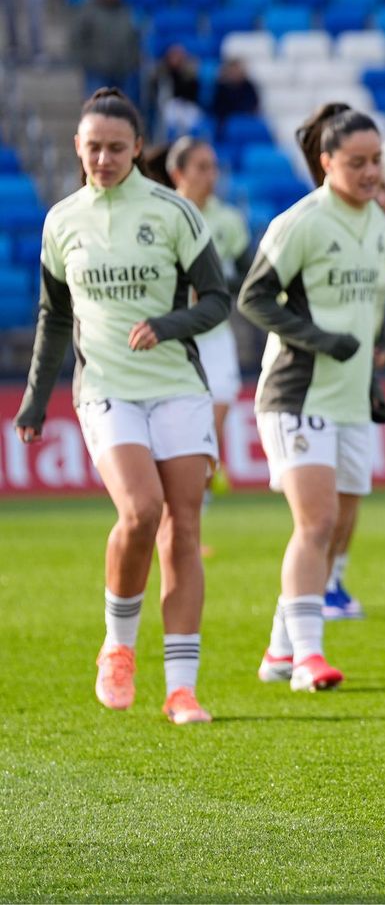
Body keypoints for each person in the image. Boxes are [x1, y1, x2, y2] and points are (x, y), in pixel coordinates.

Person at [12, 88, 230, 724]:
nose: (103, 158)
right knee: (141, 511)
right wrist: (34, 402)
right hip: (105, 388)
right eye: (92, 147)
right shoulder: (62, 221)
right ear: (77, 148)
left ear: (138, 148)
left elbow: (218, 298)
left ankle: (182, 688)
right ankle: (118, 646)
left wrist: (169, 324)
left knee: (182, 529)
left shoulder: (174, 213)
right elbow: (55, 319)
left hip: (178, 387)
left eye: (115, 147)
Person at [238, 104, 385, 691]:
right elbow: (253, 299)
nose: (369, 171)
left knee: (338, 526)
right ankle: (308, 658)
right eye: (356, 162)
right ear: (327, 162)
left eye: (376, 160)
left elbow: (369, 319)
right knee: (317, 520)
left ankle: (280, 653)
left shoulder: (382, 230)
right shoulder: (301, 222)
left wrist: (373, 370)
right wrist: (320, 340)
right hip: (295, 393)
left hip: (352, 400)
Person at [320, 141, 385, 621]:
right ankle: (317, 586)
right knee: (324, 497)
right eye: (381, 186)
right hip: (317, 377)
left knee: (352, 486)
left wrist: (381, 339)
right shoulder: (328, 228)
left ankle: (335, 577)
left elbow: (373, 304)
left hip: (359, 374)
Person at [169, 137, 251, 500]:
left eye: (213, 167)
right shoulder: (163, 216)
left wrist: (216, 285)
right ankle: (184, 522)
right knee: (181, 432)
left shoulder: (229, 220)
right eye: (201, 167)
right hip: (175, 339)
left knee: (213, 422)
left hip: (216, 336)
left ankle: (195, 514)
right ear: (178, 173)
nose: (211, 175)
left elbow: (248, 274)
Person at [71, 0, 143, 102]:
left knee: (123, 113)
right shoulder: (88, 11)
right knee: (97, 111)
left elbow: (135, 38)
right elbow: (76, 39)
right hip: (97, 72)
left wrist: (133, 61)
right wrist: (88, 61)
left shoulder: (126, 11)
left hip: (124, 72)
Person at [149, 43, 205, 140]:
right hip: (171, 105)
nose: (175, 59)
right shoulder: (163, 72)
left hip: (188, 106)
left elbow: (194, 94)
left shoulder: (189, 73)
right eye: (173, 56)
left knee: (192, 119)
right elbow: (156, 93)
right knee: (170, 113)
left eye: (178, 56)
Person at [210, 57, 261, 140]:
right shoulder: (221, 87)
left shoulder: (248, 86)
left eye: (237, 69)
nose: (235, 72)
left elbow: (253, 104)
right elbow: (218, 108)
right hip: (225, 122)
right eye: (233, 70)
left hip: (244, 119)